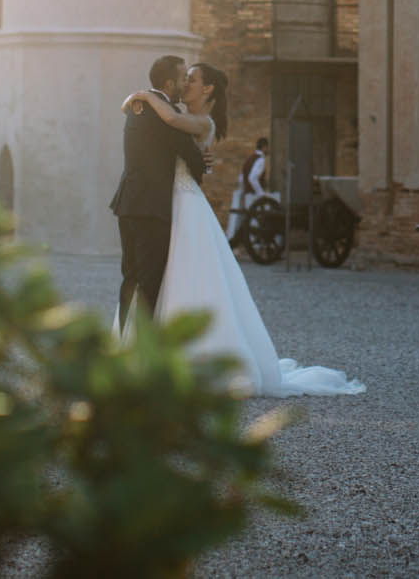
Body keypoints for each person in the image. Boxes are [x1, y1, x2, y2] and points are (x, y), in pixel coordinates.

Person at [122, 64, 364, 398]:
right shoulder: (174, 113)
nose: (186, 84)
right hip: (169, 204)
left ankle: (187, 356)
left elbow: (174, 123)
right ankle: (153, 352)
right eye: (185, 78)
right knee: (163, 274)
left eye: (192, 80)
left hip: (184, 206)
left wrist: (140, 96)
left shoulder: (199, 121)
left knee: (188, 275)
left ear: (207, 90)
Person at [108, 54, 205, 319]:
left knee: (130, 278)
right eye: (183, 78)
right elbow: (190, 153)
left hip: (127, 203)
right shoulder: (164, 112)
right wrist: (202, 167)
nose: (186, 82)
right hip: (151, 208)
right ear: (169, 84)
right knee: (150, 282)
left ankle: (125, 342)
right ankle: (144, 352)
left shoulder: (139, 105)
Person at [225, 136, 269, 245]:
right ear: (264, 147)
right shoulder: (261, 160)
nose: (268, 149)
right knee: (256, 221)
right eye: (268, 147)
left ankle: (236, 242)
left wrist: (244, 191)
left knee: (248, 220)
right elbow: (252, 178)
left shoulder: (250, 158)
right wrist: (261, 194)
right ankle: (256, 245)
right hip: (254, 195)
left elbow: (242, 178)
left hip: (247, 194)